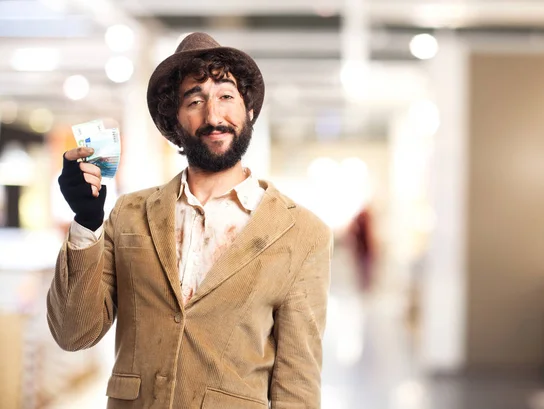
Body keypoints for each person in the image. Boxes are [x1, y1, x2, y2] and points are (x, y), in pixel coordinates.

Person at [47, 32, 333, 409]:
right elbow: (73, 333)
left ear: (249, 109)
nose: (213, 116)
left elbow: (297, 385)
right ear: (175, 120)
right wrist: (86, 222)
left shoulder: (303, 234)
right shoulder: (129, 214)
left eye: (226, 96)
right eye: (195, 100)